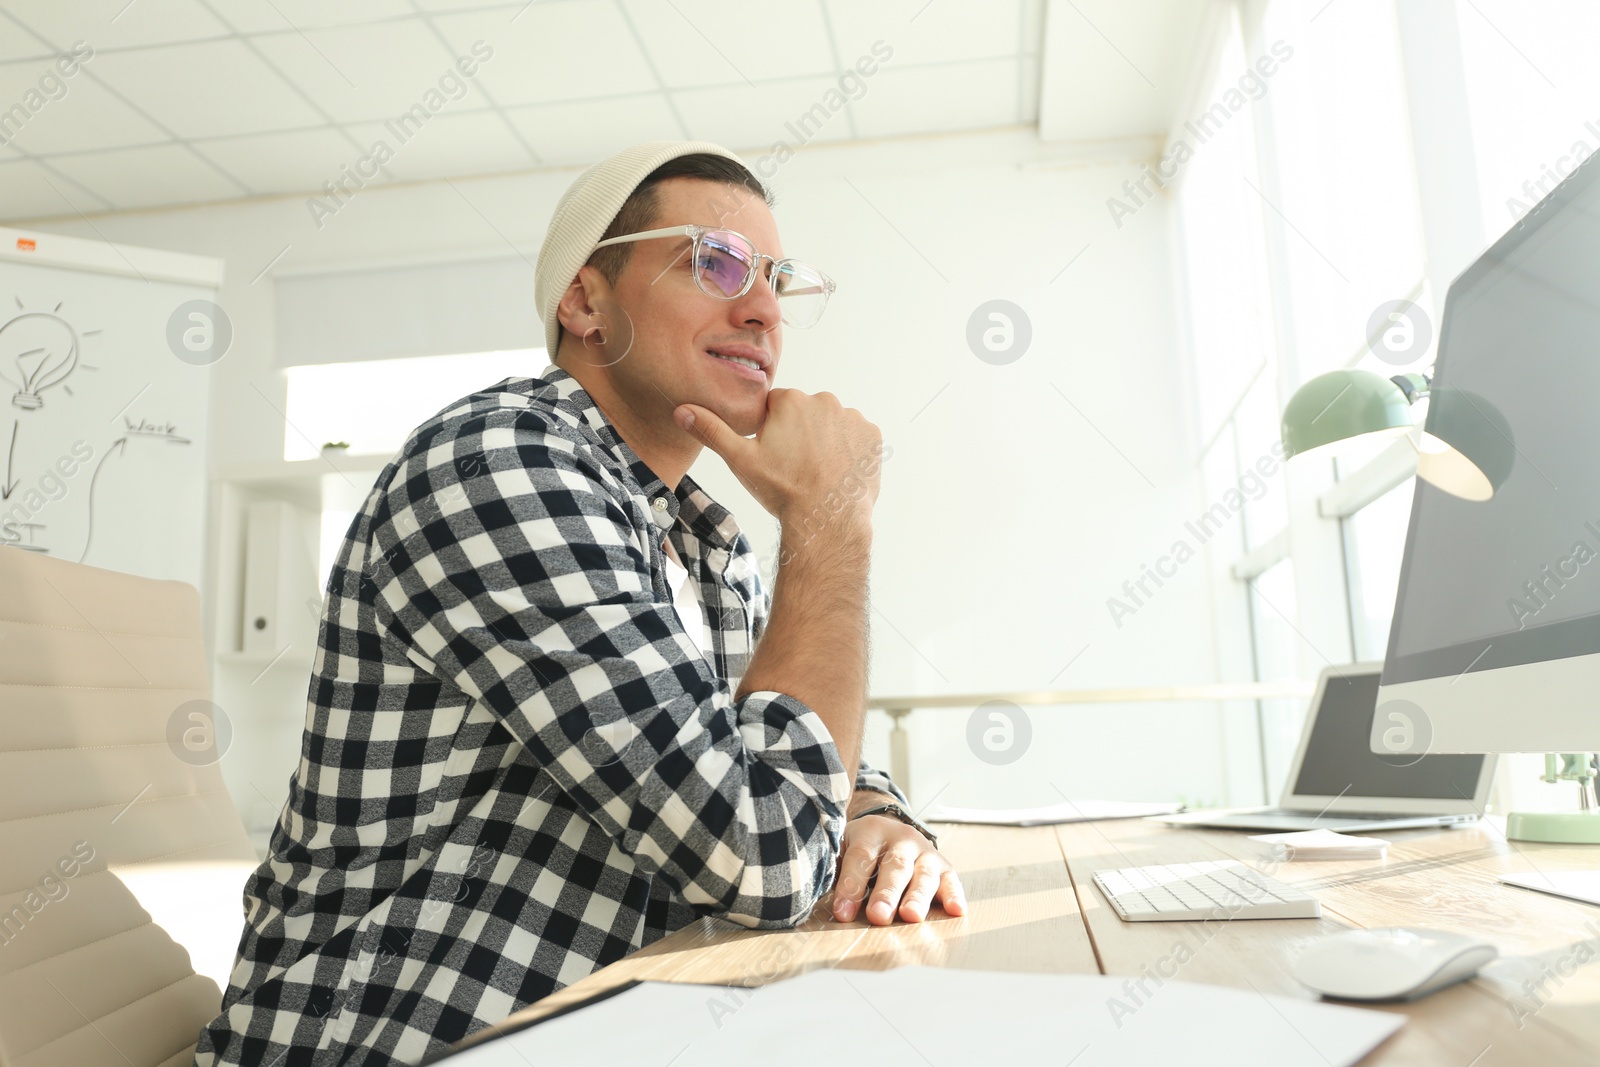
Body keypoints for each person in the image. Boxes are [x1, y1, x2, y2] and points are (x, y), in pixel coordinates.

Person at [196, 140, 964, 1066]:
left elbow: (786, 746)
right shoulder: (500, 465)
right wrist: (833, 522)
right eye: (715, 261)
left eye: (777, 279)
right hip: (399, 1036)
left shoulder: (699, 538)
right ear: (585, 301)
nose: (762, 309)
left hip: (611, 1023)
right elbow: (768, 854)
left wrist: (879, 818)